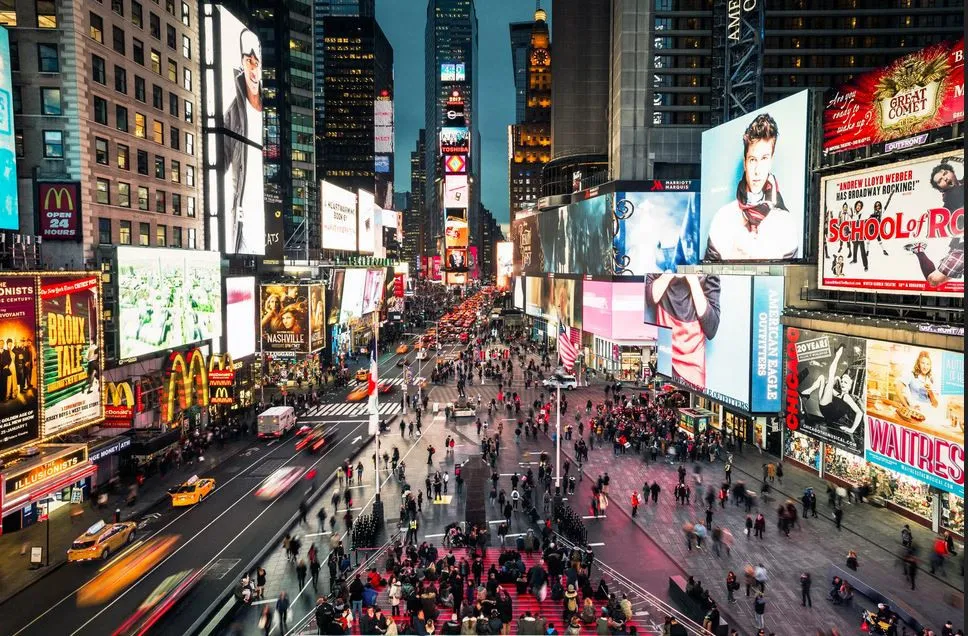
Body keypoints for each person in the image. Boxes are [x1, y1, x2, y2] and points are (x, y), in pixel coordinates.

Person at [705, 113, 800, 261]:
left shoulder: (785, 222)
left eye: (764, 158)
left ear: (771, 160)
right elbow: (709, 278)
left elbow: (790, 280)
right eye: (752, 160)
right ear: (745, 163)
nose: (757, 170)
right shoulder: (723, 218)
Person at [221, 27, 265, 254]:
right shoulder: (233, 114)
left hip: (268, 224)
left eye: (257, 60)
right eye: (249, 60)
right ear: (242, 63)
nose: (255, 66)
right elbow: (220, 167)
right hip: (244, 225)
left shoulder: (269, 113)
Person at [645, 274, 721, 389]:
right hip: (668, 357)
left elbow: (712, 328)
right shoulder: (662, 263)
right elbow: (649, 298)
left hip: (693, 364)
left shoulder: (709, 268)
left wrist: (693, 280)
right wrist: (669, 271)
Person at [905, 157, 964, 288]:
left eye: (944, 174)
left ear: (951, 171)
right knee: (933, 280)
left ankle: (919, 250)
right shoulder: (951, 194)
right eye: (940, 181)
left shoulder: (960, 185)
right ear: (940, 188)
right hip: (961, 247)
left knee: (933, 280)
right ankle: (919, 250)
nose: (945, 178)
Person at [798, 344, 864, 435]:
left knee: (831, 376)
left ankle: (838, 354)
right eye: (843, 382)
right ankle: (806, 393)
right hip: (826, 409)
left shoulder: (846, 397)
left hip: (829, 411)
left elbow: (859, 413)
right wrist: (837, 379)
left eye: (846, 383)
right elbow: (827, 385)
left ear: (850, 386)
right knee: (822, 378)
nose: (843, 384)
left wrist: (851, 429)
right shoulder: (839, 394)